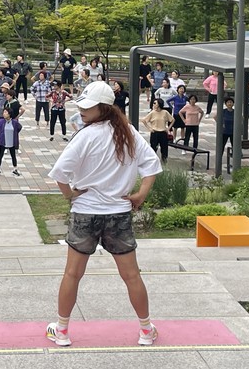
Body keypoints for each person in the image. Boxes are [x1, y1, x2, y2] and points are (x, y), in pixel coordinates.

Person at [46, 80, 161, 348]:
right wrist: (140, 196)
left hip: (86, 213)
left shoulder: (85, 136)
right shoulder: (129, 132)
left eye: (88, 107)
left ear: (104, 108)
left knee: (72, 274)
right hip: (119, 214)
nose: (82, 111)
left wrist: (70, 195)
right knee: (131, 275)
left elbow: (60, 174)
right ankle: (146, 330)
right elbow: (151, 167)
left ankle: (61, 330)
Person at [141, 99, 174, 163]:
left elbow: (172, 120)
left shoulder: (165, 112)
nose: (153, 104)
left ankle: (164, 161)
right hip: (155, 132)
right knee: (153, 148)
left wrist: (168, 128)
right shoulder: (152, 112)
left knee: (164, 148)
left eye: (155, 103)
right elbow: (144, 120)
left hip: (163, 132)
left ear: (159, 104)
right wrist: (149, 128)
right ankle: (152, 161)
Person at [0, 107, 22, 176]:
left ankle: (15, 169)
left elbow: (19, 127)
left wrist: (15, 134)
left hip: (12, 141)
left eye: (5, 112)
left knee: (13, 155)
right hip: (3, 141)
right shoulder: (1, 121)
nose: (4, 114)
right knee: (0, 155)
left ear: (9, 114)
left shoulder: (14, 122)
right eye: (4, 112)